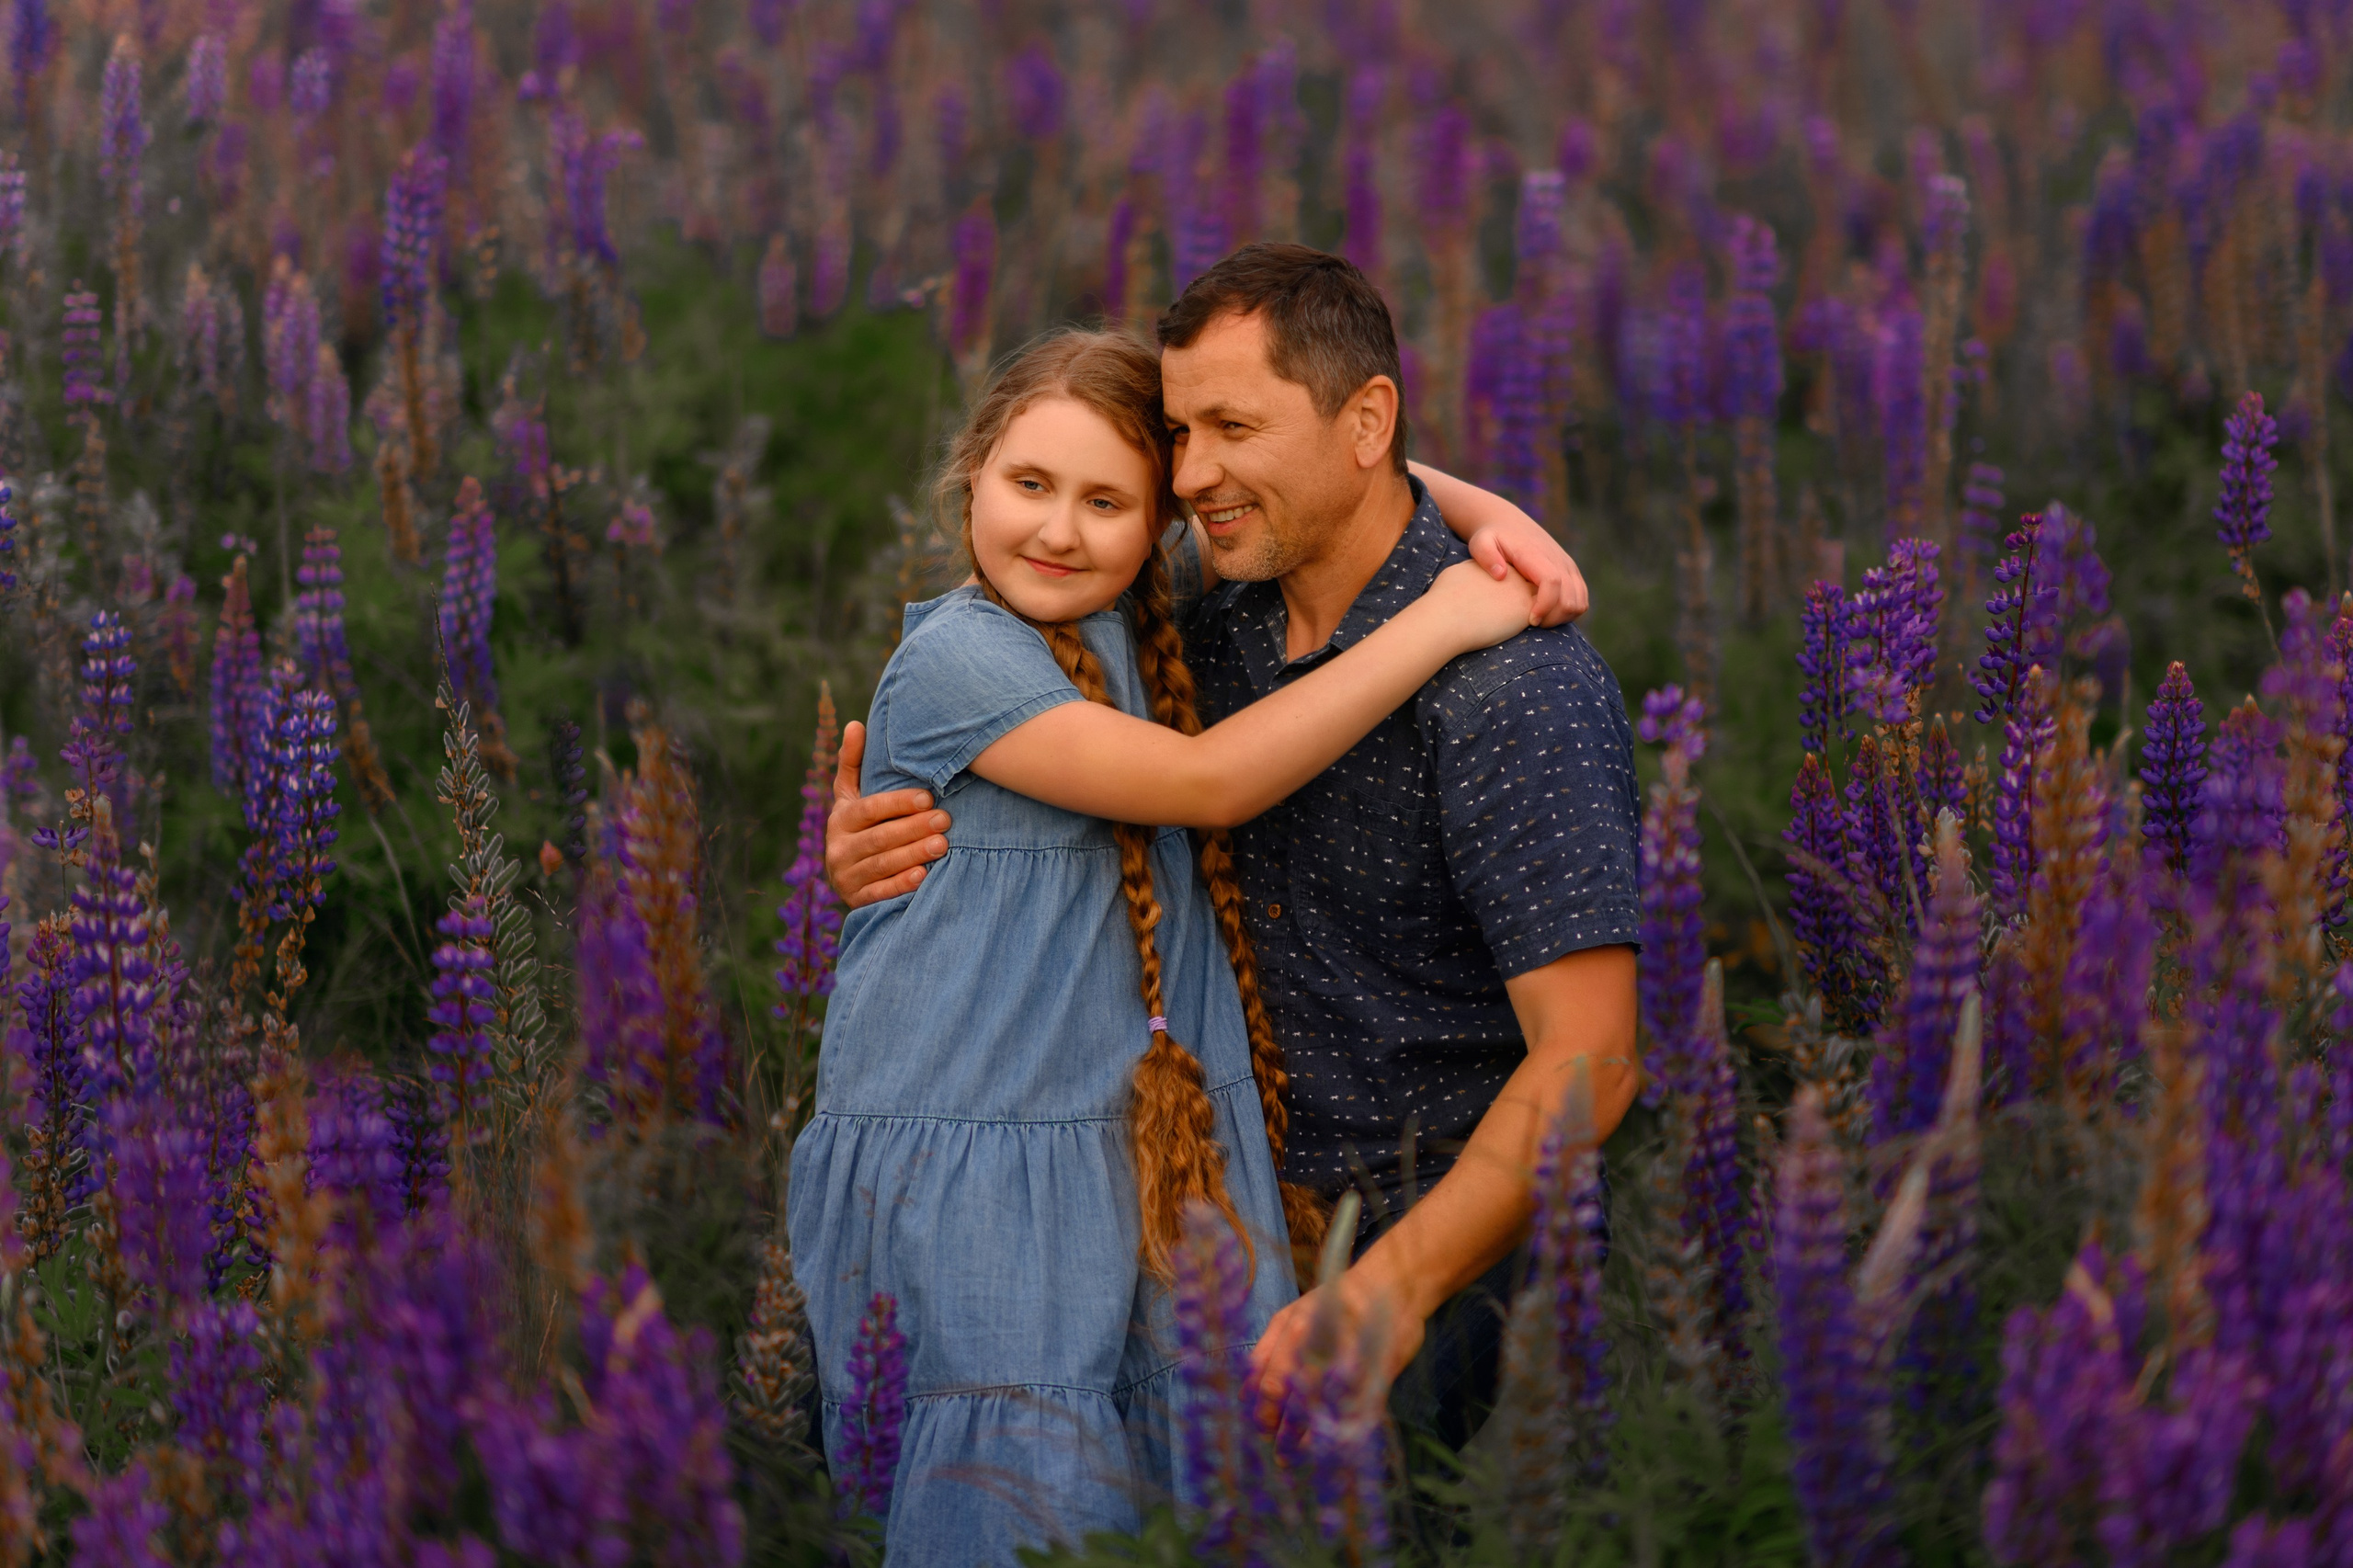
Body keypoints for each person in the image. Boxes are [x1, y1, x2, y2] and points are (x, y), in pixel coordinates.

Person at [827, 244, 1644, 1469]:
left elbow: (1596, 1056)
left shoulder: (1512, 687)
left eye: (1233, 428)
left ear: (1367, 422)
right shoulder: (1202, 626)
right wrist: (898, 848)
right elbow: (1095, 754)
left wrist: (1388, 1292)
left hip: (1431, 1247)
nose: (1192, 475)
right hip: (1192, 1226)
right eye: (1179, 433)